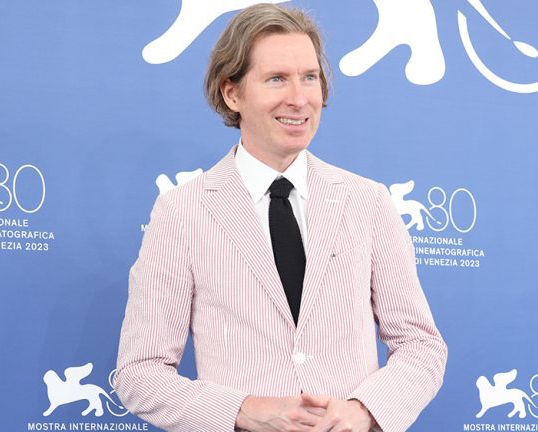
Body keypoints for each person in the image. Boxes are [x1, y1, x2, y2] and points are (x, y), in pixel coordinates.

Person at [114, 4, 447, 431]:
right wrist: (243, 409)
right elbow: (140, 371)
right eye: (277, 79)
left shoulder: (368, 202)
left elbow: (421, 344)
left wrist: (364, 411)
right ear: (231, 92)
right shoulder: (183, 211)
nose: (300, 97)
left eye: (309, 77)